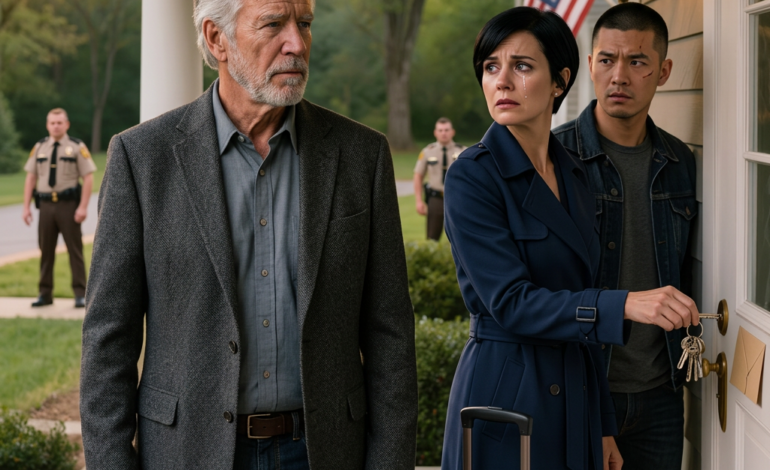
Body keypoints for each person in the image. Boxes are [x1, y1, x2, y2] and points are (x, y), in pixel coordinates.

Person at [79, 1, 417, 469]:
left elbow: (391, 333)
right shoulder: (141, 158)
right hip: (187, 452)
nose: (297, 43)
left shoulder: (362, 155)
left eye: (305, 24)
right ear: (217, 38)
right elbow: (107, 341)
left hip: (325, 451)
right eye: (274, 24)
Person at [440, 7, 699, 470]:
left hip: (576, 394)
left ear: (560, 82)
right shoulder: (471, 176)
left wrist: (602, 422)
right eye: (491, 67)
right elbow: (511, 302)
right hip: (507, 393)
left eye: (522, 66)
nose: (502, 81)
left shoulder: (574, 175)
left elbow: (583, 311)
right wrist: (624, 304)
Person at [553, 3, 698, 469]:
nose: (619, 76)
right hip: (580, 387)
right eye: (606, 60)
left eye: (637, 62)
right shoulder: (554, 157)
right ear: (590, 65)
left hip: (660, 394)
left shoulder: (680, 161)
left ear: (663, 72)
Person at [22, 108, 95, 308]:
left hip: (68, 206)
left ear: (66, 125)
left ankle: (80, 294)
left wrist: (83, 207)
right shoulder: (40, 147)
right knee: (45, 250)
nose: (56, 126)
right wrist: (26, 207)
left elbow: (88, 177)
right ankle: (45, 294)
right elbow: (31, 177)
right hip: (45, 206)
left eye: (59, 123)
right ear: (47, 125)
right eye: (52, 123)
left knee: (74, 250)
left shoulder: (76, 147)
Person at [413, 118, 466, 240]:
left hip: (457, 198)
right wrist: (418, 200)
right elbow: (418, 175)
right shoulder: (427, 151)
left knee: (460, 237)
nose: (443, 133)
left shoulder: (463, 151)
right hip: (436, 198)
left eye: (446, 130)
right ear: (435, 133)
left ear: (452, 132)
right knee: (432, 237)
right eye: (440, 130)